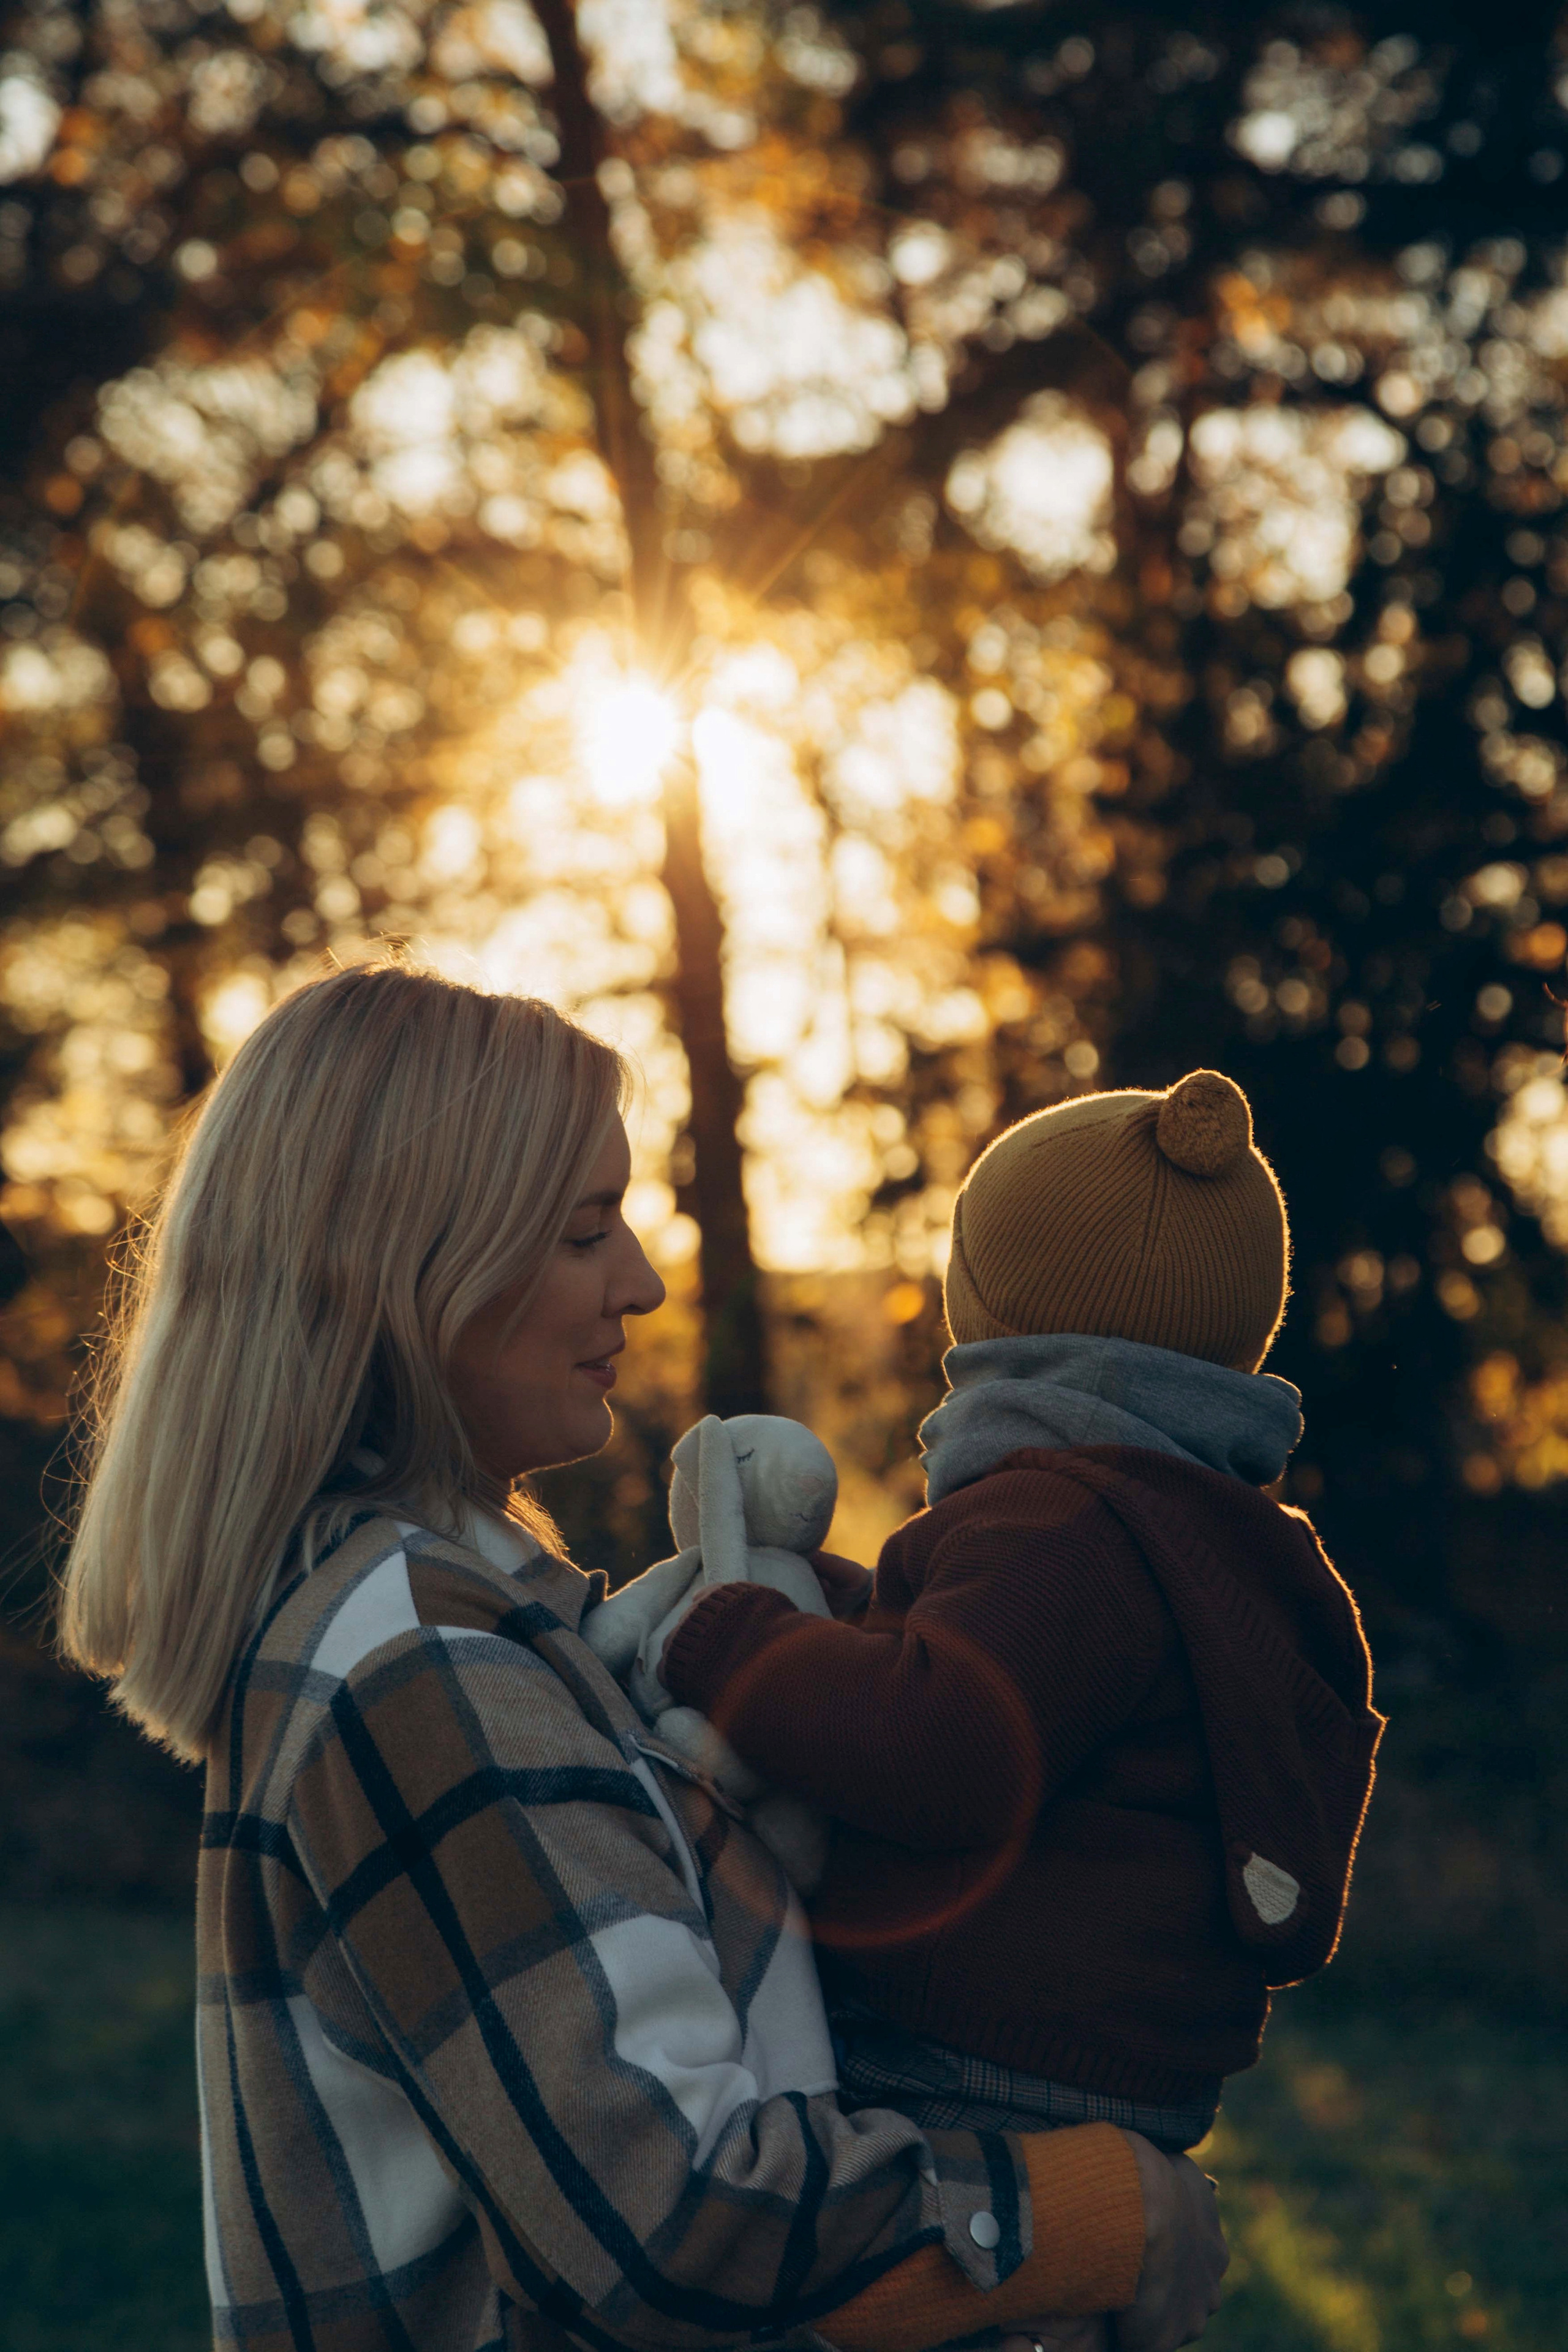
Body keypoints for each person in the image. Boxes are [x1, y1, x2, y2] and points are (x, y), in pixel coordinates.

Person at [58, 960, 1226, 2352]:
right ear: (404, 1260)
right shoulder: (420, 1668)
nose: (645, 1278)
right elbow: (674, 2226)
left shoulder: (450, 1624)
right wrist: (1106, 2208)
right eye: (581, 1230)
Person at [658, 1071, 1384, 2160]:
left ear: (991, 1313)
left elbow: (939, 1743)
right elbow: (1018, 1682)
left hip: (975, 2068)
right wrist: (849, 1616)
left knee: (760, 2207)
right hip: (1107, 2076)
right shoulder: (1206, 1525)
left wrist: (734, 1636)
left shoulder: (1064, 1521)